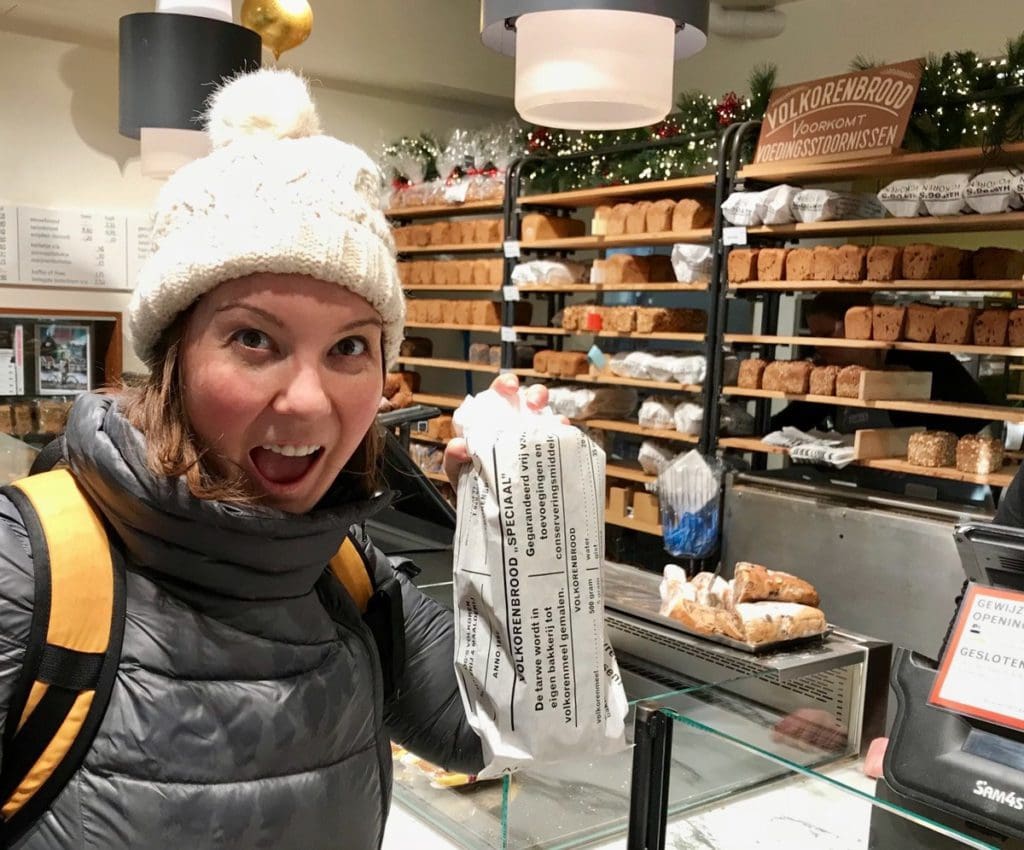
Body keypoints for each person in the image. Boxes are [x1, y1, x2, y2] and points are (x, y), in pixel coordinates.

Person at [0, 68, 548, 849]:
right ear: (174, 355)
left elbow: (501, 728)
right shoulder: (26, 572)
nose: (308, 402)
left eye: (350, 347)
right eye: (254, 339)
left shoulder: (343, 572)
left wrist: (520, 522)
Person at [769, 292, 992, 437]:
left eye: (826, 335)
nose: (818, 346)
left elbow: (975, 415)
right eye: (813, 337)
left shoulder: (923, 359)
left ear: (861, 325)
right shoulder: (834, 374)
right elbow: (792, 421)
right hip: (865, 486)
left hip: (930, 487)